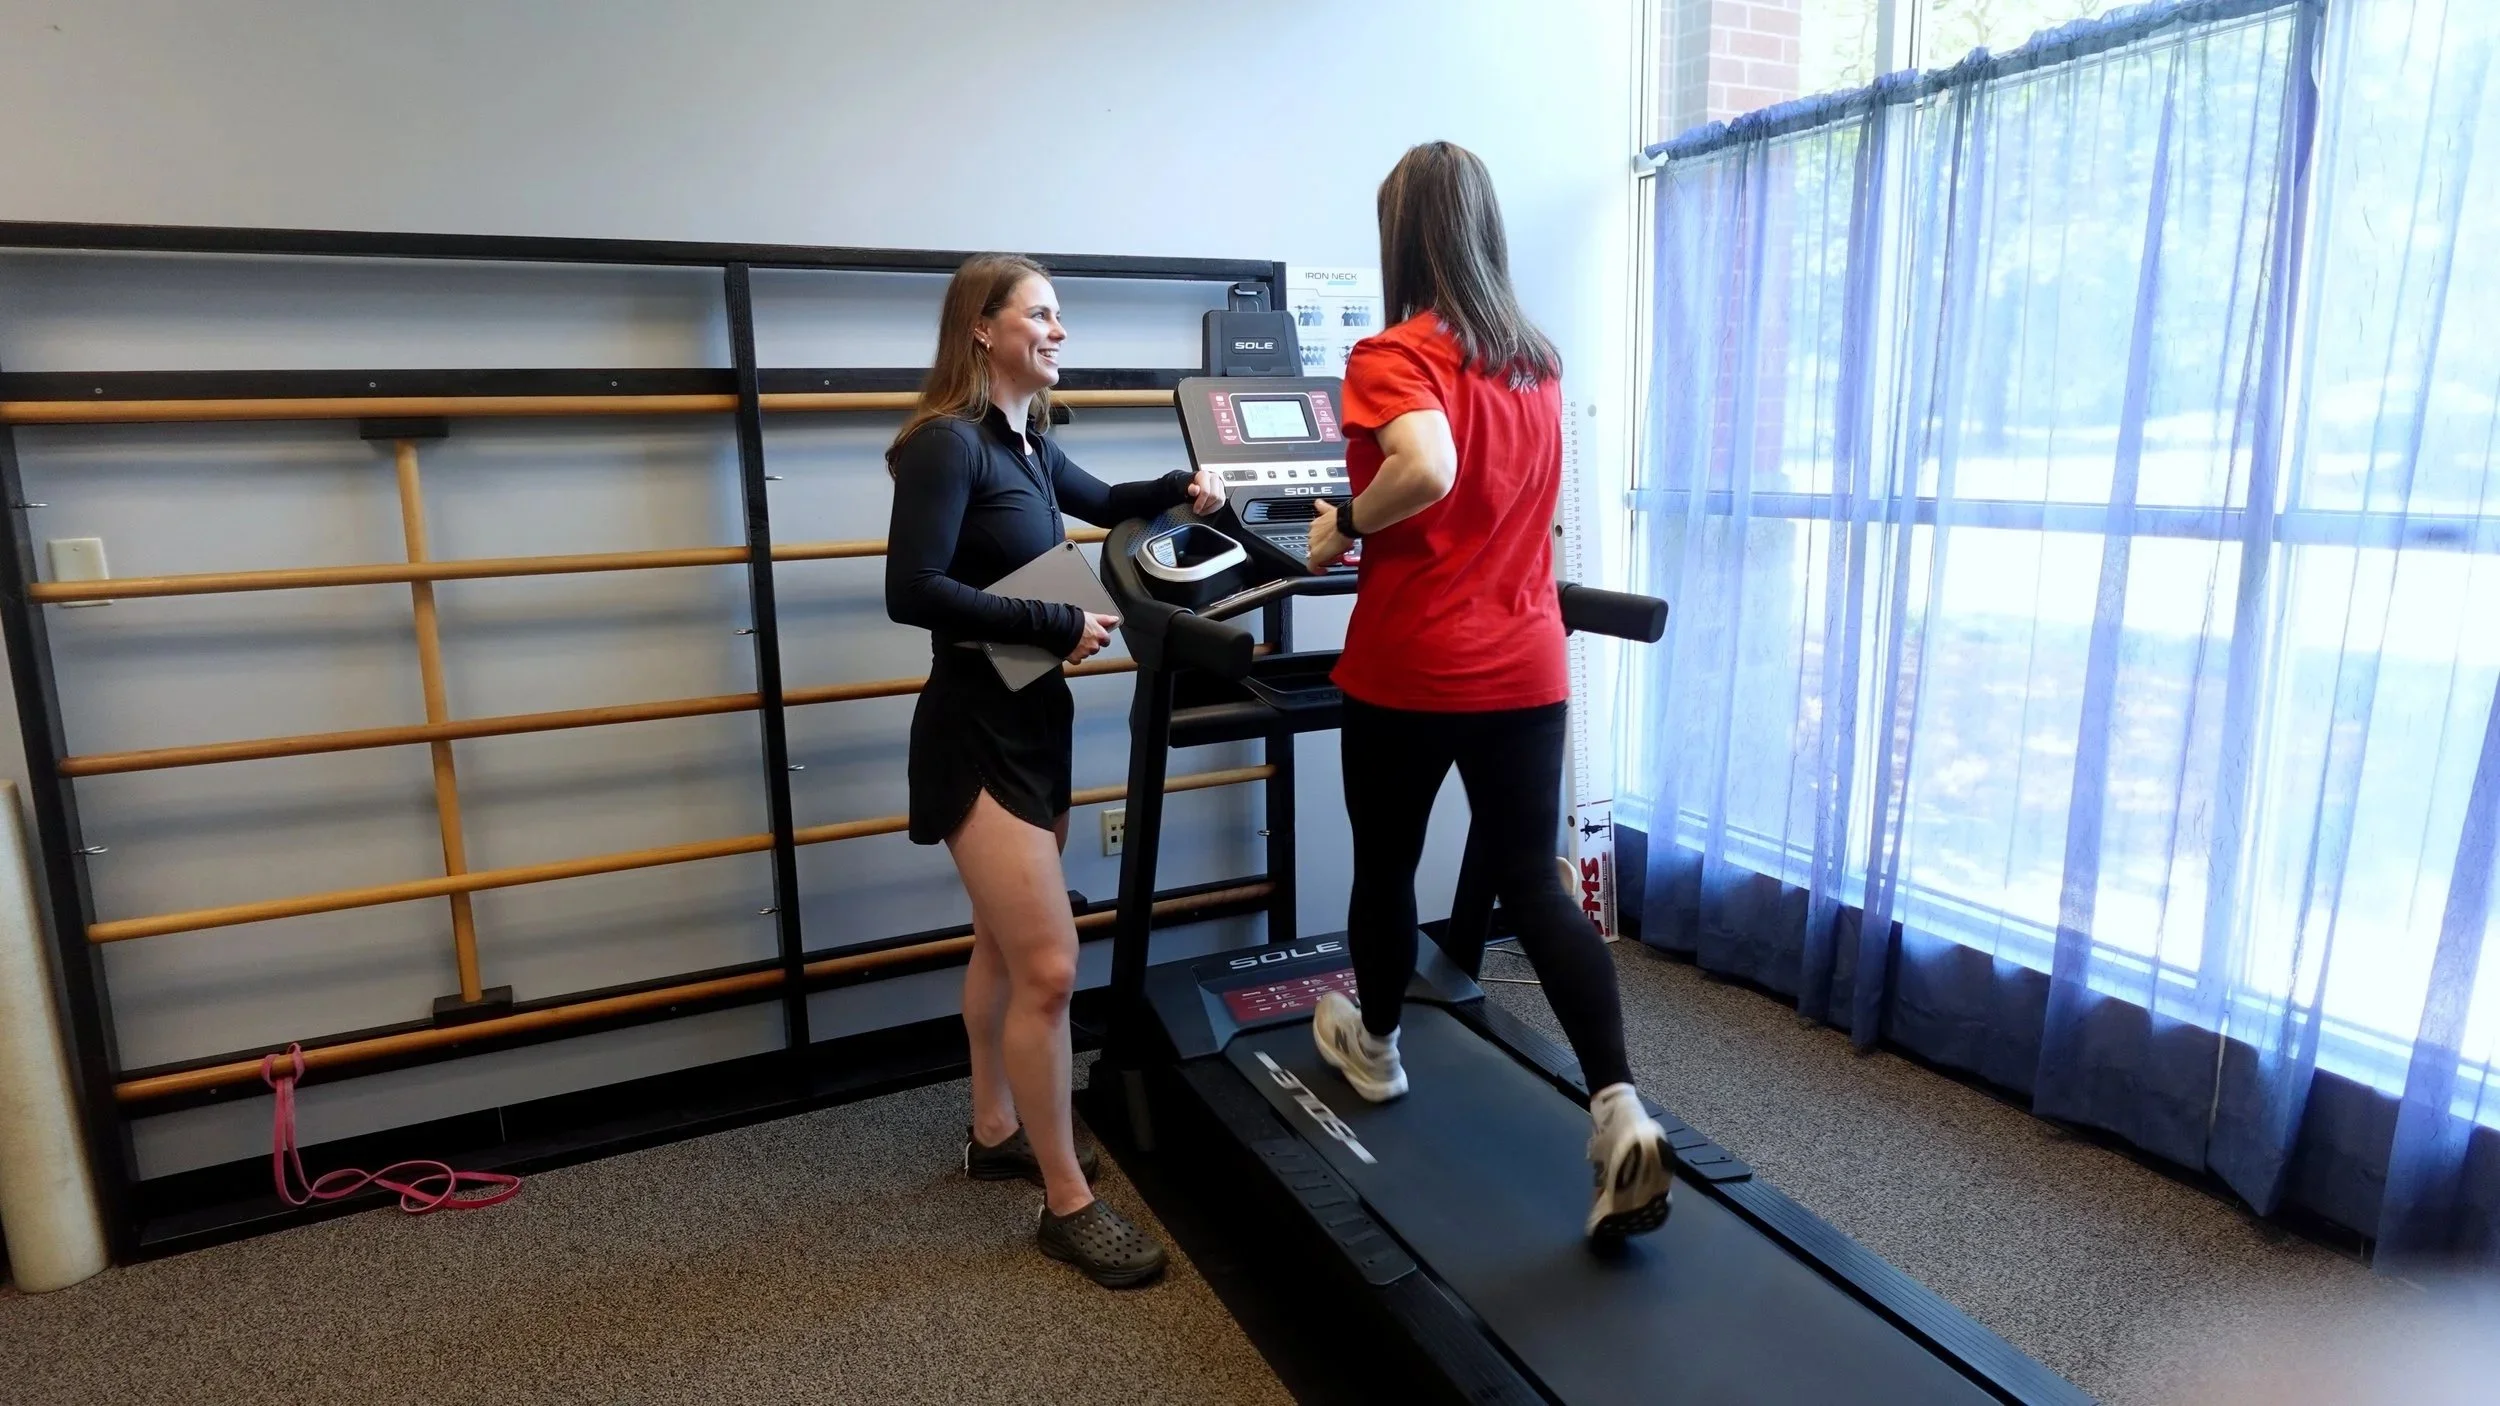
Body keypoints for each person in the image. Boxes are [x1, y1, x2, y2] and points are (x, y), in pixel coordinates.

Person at [1303, 142, 1674, 1241]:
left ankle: (1371, 1049)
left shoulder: (1392, 354)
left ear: (1402, 237)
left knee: (1385, 862)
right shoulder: (1534, 362)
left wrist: (1343, 523)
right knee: (1530, 878)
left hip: (1412, 665)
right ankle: (1617, 1107)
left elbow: (1424, 470)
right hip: (1525, 659)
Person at [885, 253, 1225, 1286]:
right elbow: (913, 590)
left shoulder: (1028, 444)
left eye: (1059, 314)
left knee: (1002, 944)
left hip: (1036, 721)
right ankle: (1064, 1200)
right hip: (972, 729)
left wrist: (1181, 487)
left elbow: (1107, 497)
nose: (1060, 331)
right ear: (981, 329)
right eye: (1041, 314)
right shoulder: (948, 446)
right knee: (1047, 966)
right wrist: (1054, 618)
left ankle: (995, 1125)